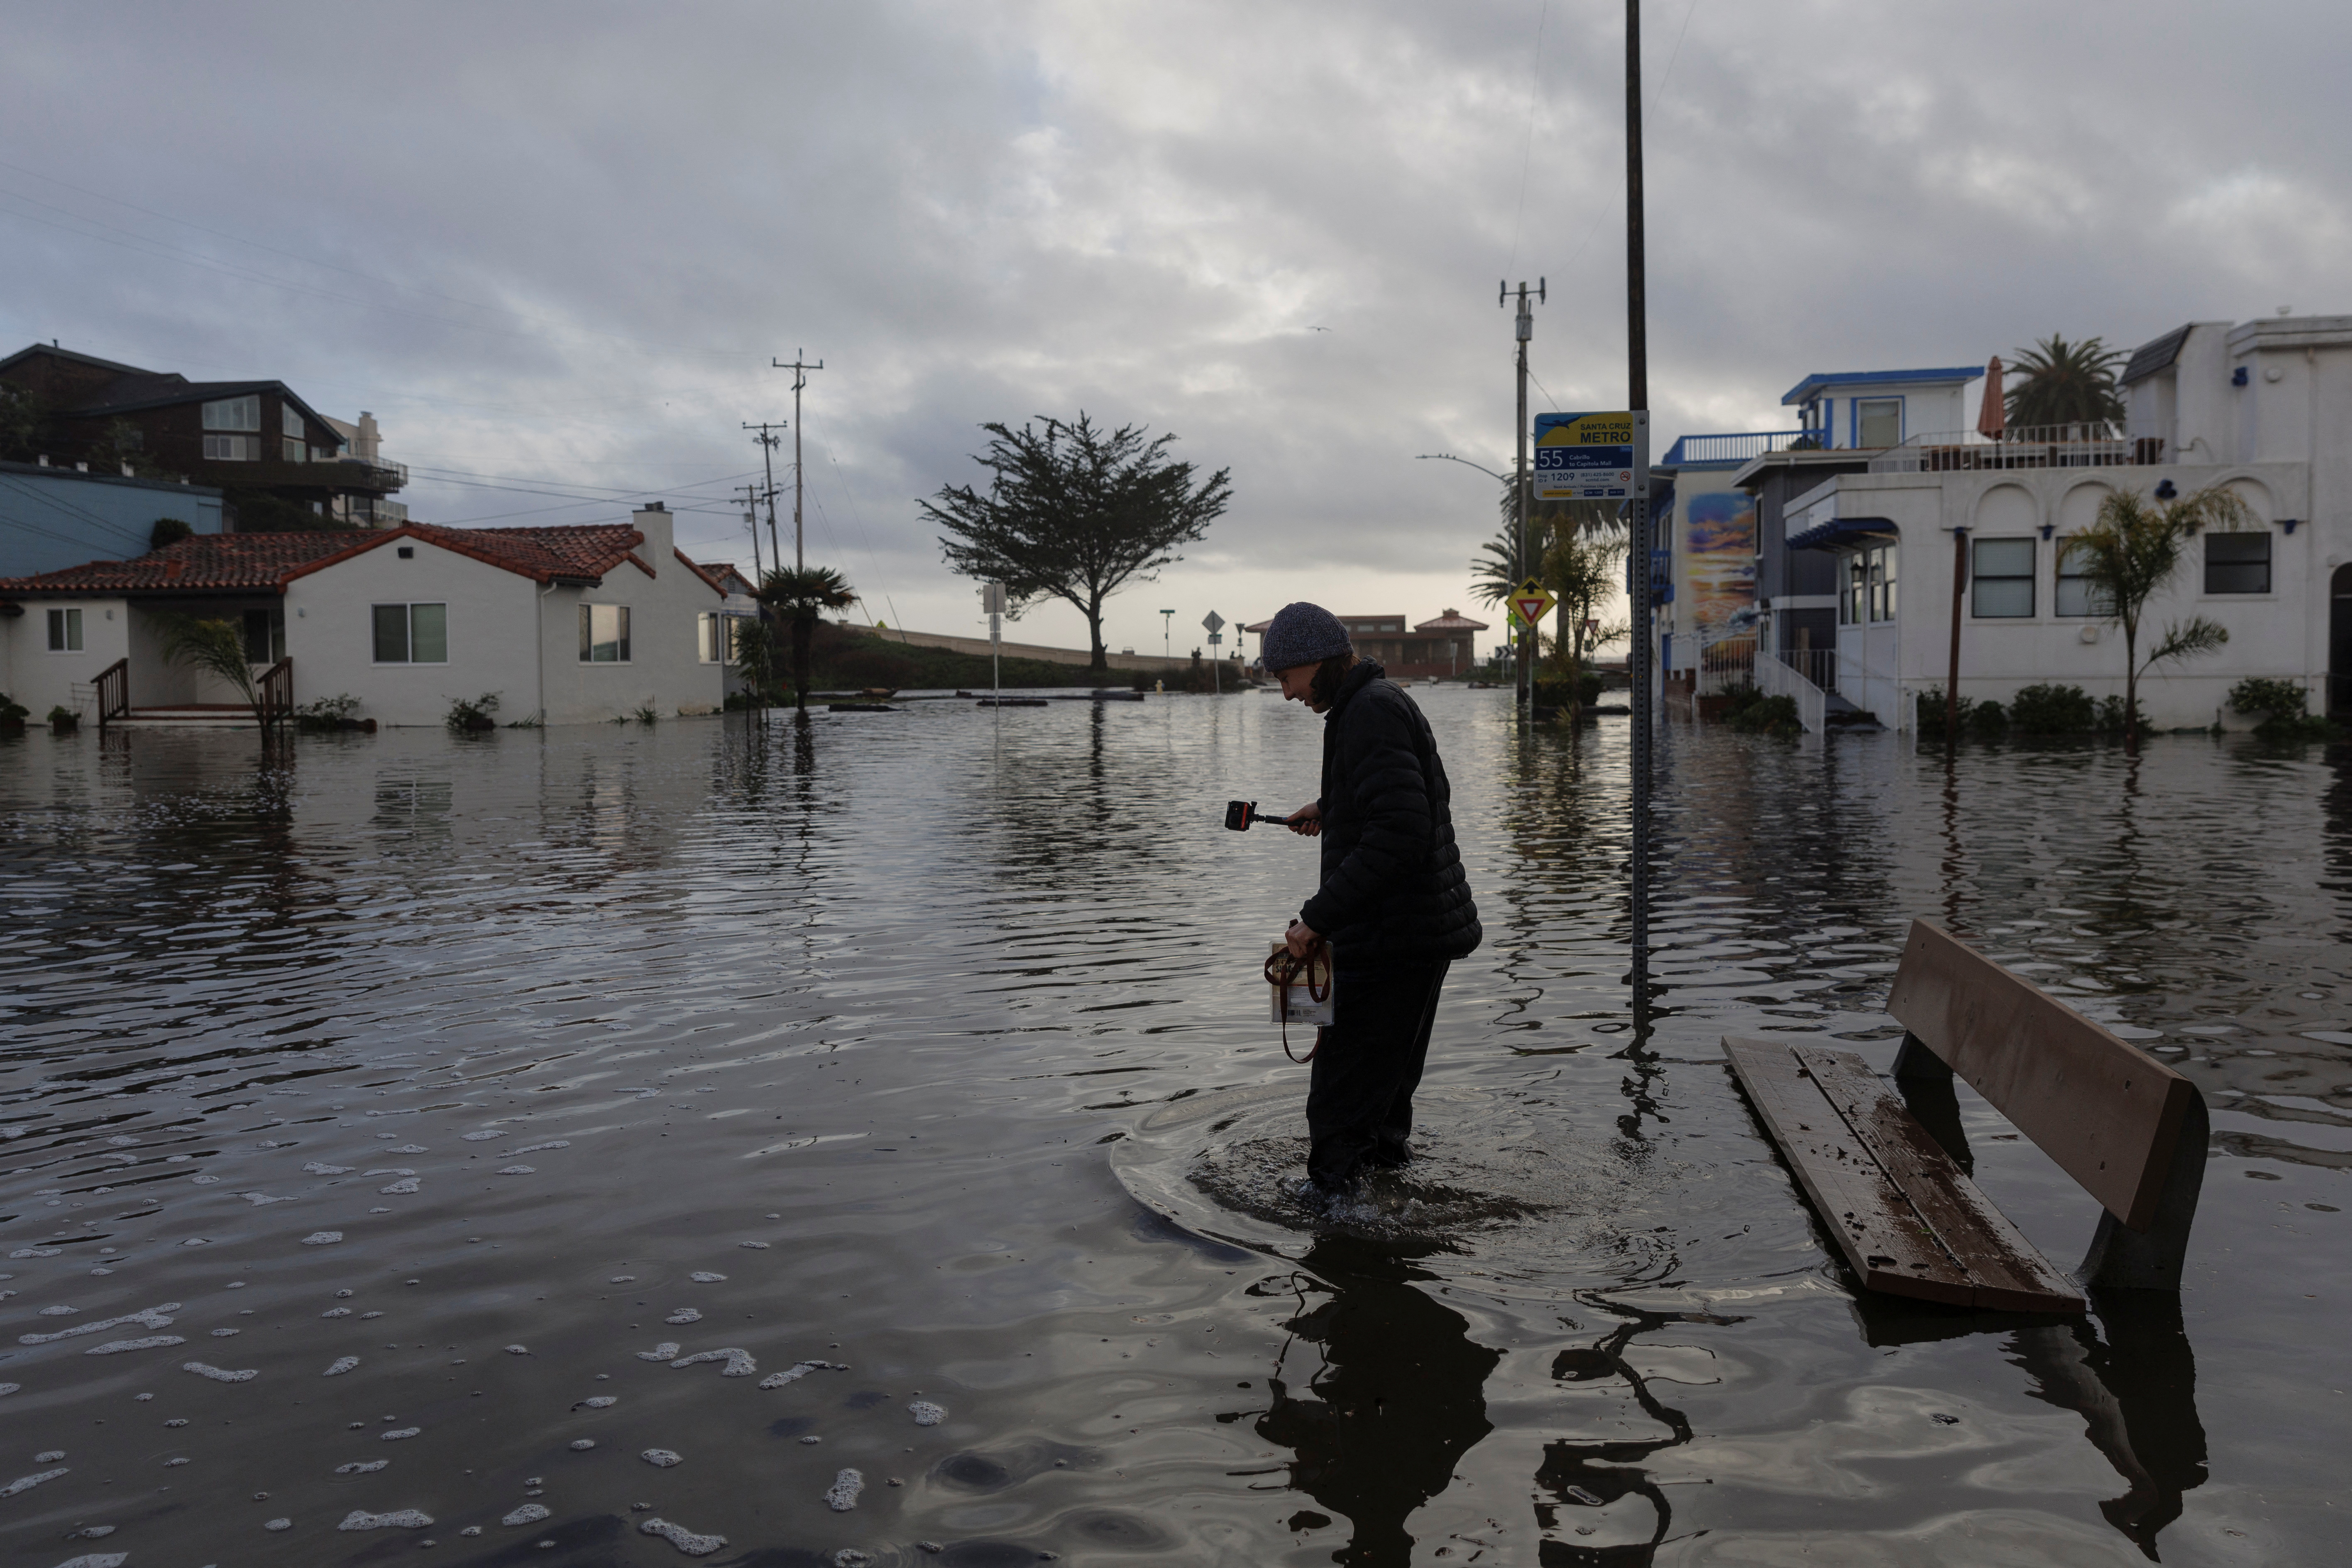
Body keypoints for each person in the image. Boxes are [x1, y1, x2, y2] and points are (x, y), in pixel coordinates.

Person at [1262, 600, 1480, 1201]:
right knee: (1383, 1098)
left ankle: (1335, 1223)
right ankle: (1390, 1215)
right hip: (1416, 932)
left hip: (1389, 938)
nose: (1286, 694)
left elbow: (1401, 834)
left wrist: (1315, 919)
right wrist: (1334, 808)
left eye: (1286, 678)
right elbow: (1409, 801)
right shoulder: (1379, 702)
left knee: (1339, 1097)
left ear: (1315, 660)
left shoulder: (1367, 713)